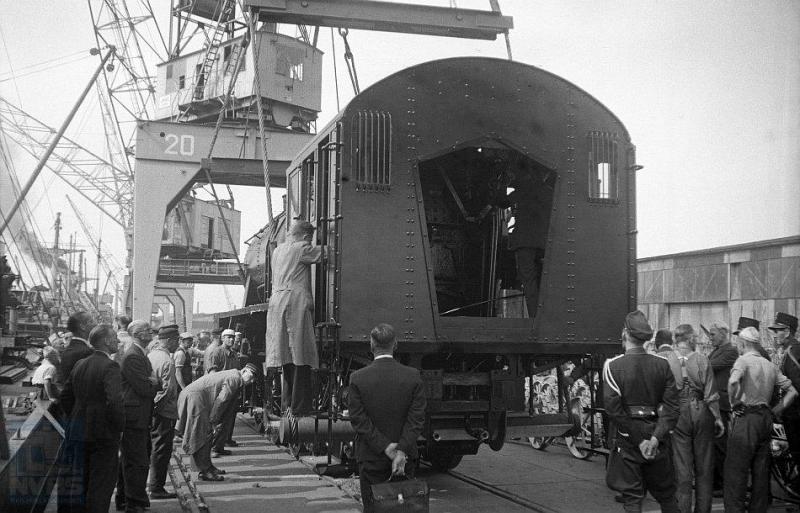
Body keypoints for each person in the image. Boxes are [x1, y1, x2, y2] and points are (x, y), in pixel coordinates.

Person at [603, 310, 680, 513]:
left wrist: (639, 440)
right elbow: (672, 408)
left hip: (628, 439)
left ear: (625, 334)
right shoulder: (662, 365)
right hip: (658, 435)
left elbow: (613, 410)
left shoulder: (612, 367)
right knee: (667, 497)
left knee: (632, 499)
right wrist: (655, 438)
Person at [348, 324, 427, 513]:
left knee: (373, 508)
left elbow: (359, 421)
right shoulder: (413, 377)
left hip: (371, 458)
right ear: (395, 344)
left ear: (371, 345)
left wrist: (385, 447)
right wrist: (400, 450)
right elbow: (416, 420)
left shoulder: (358, 378)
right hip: (404, 459)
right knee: (404, 508)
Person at [724, 326, 797, 513]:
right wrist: (776, 410)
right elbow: (793, 391)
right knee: (761, 472)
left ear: (743, 343)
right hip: (766, 418)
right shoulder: (769, 364)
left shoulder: (743, 360)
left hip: (747, 418)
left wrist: (734, 403)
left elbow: (733, 381)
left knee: (736, 471)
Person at [59, 324, 124, 513]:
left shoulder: (81, 364)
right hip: (103, 434)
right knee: (101, 486)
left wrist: (76, 419)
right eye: (114, 338)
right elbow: (115, 402)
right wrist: (118, 429)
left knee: (79, 482)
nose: (117, 342)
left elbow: (65, 396)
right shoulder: (110, 366)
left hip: (78, 431)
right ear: (105, 341)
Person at [265, 220, 324, 415]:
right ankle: (301, 407)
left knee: (286, 356)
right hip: (294, 301)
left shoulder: (278, 251)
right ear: (307, 236)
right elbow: (327, 253)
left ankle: (288, 405)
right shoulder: (302, 248)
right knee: (302, 353)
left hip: (276, 303)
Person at [664, 324, 724, 513]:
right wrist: (718, 419)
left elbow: (662, 391)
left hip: (677, 412)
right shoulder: (702, 359)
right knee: (704, 466)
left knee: (682, 468)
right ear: (690, 340)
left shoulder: (667, 359)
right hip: (701, 410)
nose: (697, 341)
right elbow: (711, 394)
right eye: (695, 338)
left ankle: (682, 509)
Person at [175, 364, 257, 481]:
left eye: (254, 379)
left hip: (195, 396)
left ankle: (208, 467)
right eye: (251, 376)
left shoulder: (234, 375)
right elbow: (221, 400)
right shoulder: (235, 378)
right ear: (244, 371)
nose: (252, 380)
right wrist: (213, 421)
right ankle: (204, 471)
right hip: (196, 398)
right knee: (202, 434)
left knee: (206, 435)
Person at [116, 320, 158, 513]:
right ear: (139, 334)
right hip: (134, 417)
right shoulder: (133, 356)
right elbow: (145, 388)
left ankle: (126, 499)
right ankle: (134, 503)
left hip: (136, 415)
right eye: (148, 330)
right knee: (137, 460)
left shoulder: (137, 354)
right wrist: (155, 382)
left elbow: (146, 383)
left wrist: (151, 381)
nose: (151, 332)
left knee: (132, 458)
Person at [507, 170, 553, 319]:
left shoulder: (523, 190)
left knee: (529, 281)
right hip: (545, 243)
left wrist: (504, 183)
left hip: (524, 242)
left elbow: (501, 201)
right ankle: (547, 316)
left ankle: (535, 317)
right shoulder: (551, 193)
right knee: (546, 280)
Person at [703, 319, 739, 495]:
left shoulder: (731, 351)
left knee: (720, 445)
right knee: (715, 444)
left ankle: (723, 484)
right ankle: (717, 482)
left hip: (721, 404)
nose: (710, 338)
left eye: (713, 334)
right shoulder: (717, 350)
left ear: (724, 333)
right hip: (713, 402)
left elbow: (709, 367)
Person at [147, 324, 180, 500]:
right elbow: (167, 391)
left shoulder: (151, 356)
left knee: (154, 448)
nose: (178, 343)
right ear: (168, 340)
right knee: (161, 450)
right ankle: (156, 488)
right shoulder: (167, 361)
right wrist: (158, 410)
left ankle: (153, 484)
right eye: (176, 340)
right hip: (164, 413)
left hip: (152, 411)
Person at [772, 313, 800, 485]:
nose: (774, 334)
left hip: (796, 415)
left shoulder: (792, 353)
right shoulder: (793, 350)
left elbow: (796, 389)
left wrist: (779, 409)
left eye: (778, 330)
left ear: (787, 331)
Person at [206, 328, 241, 455]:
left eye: (232, 337)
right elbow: (212, 374)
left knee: (227, 420)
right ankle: (212, 448)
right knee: (216, 420)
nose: (231, 339)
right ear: (222, 338)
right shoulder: (217, 352)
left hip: (232, 392)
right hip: (221, 392)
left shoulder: (234, 354)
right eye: (228, 337)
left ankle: (219, 446)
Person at [57, 311, 95, 387]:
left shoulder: (68, 350)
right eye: (91, 321)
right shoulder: (86, 352)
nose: (95, 324)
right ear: (82, 326)